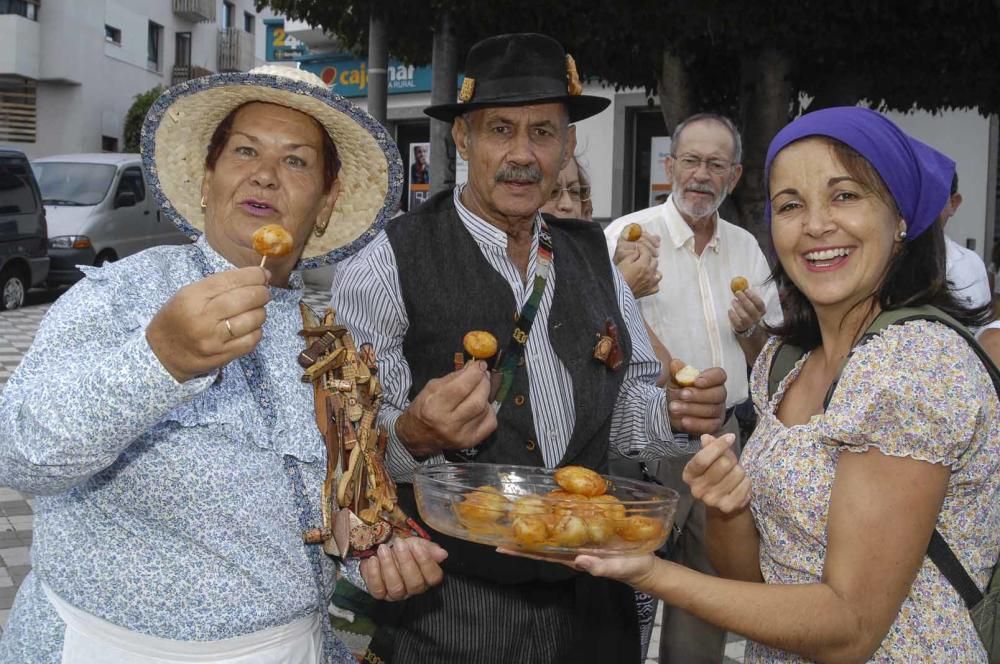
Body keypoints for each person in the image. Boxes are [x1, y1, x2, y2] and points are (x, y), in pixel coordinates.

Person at [0, 66, 445, 663]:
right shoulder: (123, 295)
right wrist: (159, 360)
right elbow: (22, 452)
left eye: (296, 162)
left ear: (325, 202)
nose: (264, 174)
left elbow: (337, 514)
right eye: (243, 151)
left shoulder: (334, 347)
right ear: (207, 180)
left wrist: (376, 556)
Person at [330, 33, 728, 664]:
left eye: (543, 133)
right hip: (454, 603)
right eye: (500, 130)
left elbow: (627, 415)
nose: (522, 154)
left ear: (569, 145)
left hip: (593, 591)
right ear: (463, 139)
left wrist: (678, 413)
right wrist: (412, 431)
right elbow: (344, 447)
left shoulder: (592, 254)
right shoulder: (388, 262)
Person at [559, 106, 1000, 661]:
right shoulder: (785, 363)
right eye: (791, 204)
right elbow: (755, 578)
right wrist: (728, 505)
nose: (816, 224)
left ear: (902, 216)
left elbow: (849, 629)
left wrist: (653, 573)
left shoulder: (915, 365)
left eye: (845, 195)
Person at [603, 113, 782, 664]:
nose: (701, 175)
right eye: (691, 161)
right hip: (638, 442)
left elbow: (765, 361)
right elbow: (601, 343)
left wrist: (753, 330)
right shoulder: (626, 238)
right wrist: (626, 299)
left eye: (716, 164)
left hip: (721, 442)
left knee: (706, 597)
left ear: (734, 175)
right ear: (669, 165)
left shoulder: (748, 249)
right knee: (620, 594)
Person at [942, 173, 992, 310]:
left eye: (932, 197)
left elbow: (982, 327)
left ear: (953, 203)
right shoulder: (884, 260)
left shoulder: (972, 264)